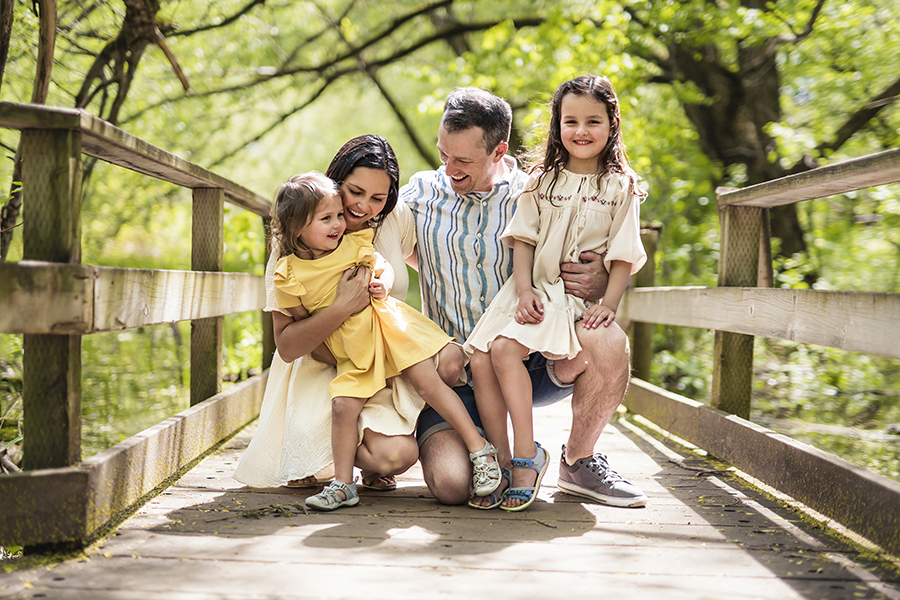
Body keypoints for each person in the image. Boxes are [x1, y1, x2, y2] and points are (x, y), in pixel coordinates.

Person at [401, 85, 649, 510]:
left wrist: (601, 277)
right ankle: (497, 453)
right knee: (451, 485)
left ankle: (579, 459)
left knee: (606, 341)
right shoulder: (420, 195)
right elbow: (370, 230)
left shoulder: (532, 189)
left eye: (463, 160)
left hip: (534, 360)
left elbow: (602, 240)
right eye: (443, 155)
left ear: (499, 151)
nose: (449, 169)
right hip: (455, 376)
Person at [234, 135, 464, 495]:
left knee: (445, 370)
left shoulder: (393, 218)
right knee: (389, 452)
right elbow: (288, 345)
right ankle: (320, 454)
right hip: (324, 364)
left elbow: (414, 266)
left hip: (382, 356)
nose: (363, 207)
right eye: (355, 192)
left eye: (378, 197)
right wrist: (343, 306)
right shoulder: (294, 246)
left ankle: (390, 434)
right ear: (336, 181)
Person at [269, 172, 501, 511]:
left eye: (337, 216)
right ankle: (343, 484)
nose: (338, 225)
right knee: (342, 406)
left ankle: (480, 449)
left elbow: (384, 266)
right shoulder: (287, 274)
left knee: (430, 385)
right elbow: (301, 325)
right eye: (326, 219)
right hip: (354, 351)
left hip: (391, 330)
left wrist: (383, 284)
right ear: (296, 228)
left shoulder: (353, 243)